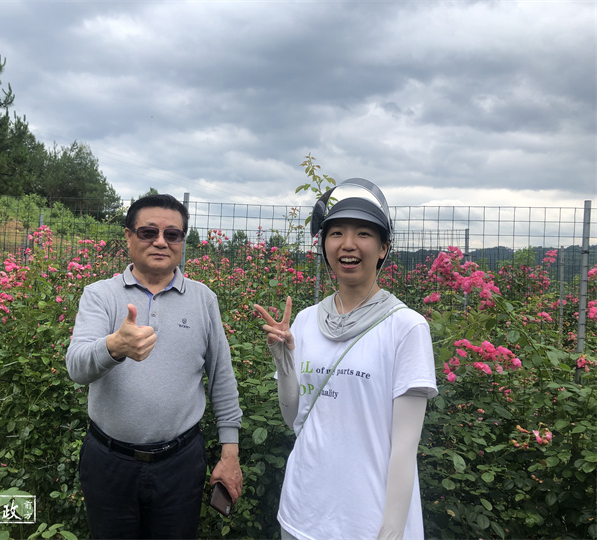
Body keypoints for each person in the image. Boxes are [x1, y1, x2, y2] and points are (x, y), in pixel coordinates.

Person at [255, 178, 438, 540]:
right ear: (323, 244)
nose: (348, 244)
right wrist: (285, 363)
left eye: (364, 234)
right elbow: (294, 418)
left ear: (384, 247)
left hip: (366, 522)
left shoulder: (406, 327)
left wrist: (391, 530)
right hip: (301, 512)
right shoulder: (306, 320)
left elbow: (405, 447)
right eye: (336, 232)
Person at [66, 194, 243, 539]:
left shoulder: (203, 299)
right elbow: (76, 366)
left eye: (172, 234)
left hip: (180, 463)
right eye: (148, 232)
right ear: (129, 237)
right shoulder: (101, 295)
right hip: (109, 462)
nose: (161, 241)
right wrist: (113, 347)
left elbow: (221, 377)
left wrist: (230, 452)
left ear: (182, 242)